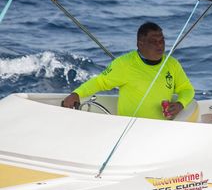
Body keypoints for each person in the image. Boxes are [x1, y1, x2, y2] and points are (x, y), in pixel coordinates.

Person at [61, 21, 194, 120]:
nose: (160, 45)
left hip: (160, 129)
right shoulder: (124, 64)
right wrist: (76, 94)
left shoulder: (172, 64)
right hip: (128, 129)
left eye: (162, 41)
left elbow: (187, 89)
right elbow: (100, 82)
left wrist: (180, 104)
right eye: (154, 42)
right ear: (140, 44)